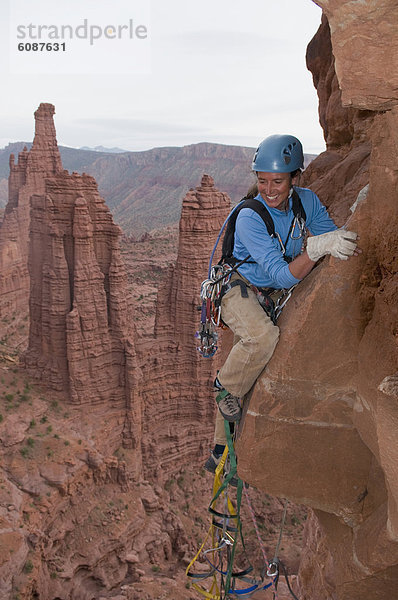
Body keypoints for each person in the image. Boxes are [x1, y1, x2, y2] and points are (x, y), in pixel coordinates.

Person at [205, 134, 360, 473]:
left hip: (272, 290)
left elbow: (332, 234)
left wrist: (359, 218)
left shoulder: (306, 202)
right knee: (262, 337)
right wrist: (315, 250)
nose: (269, 189)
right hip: (239, 288)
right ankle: (225, 391)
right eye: (262, 181)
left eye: (277, 181)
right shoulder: (249, 216)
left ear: (294, 178)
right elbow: (280, 275)